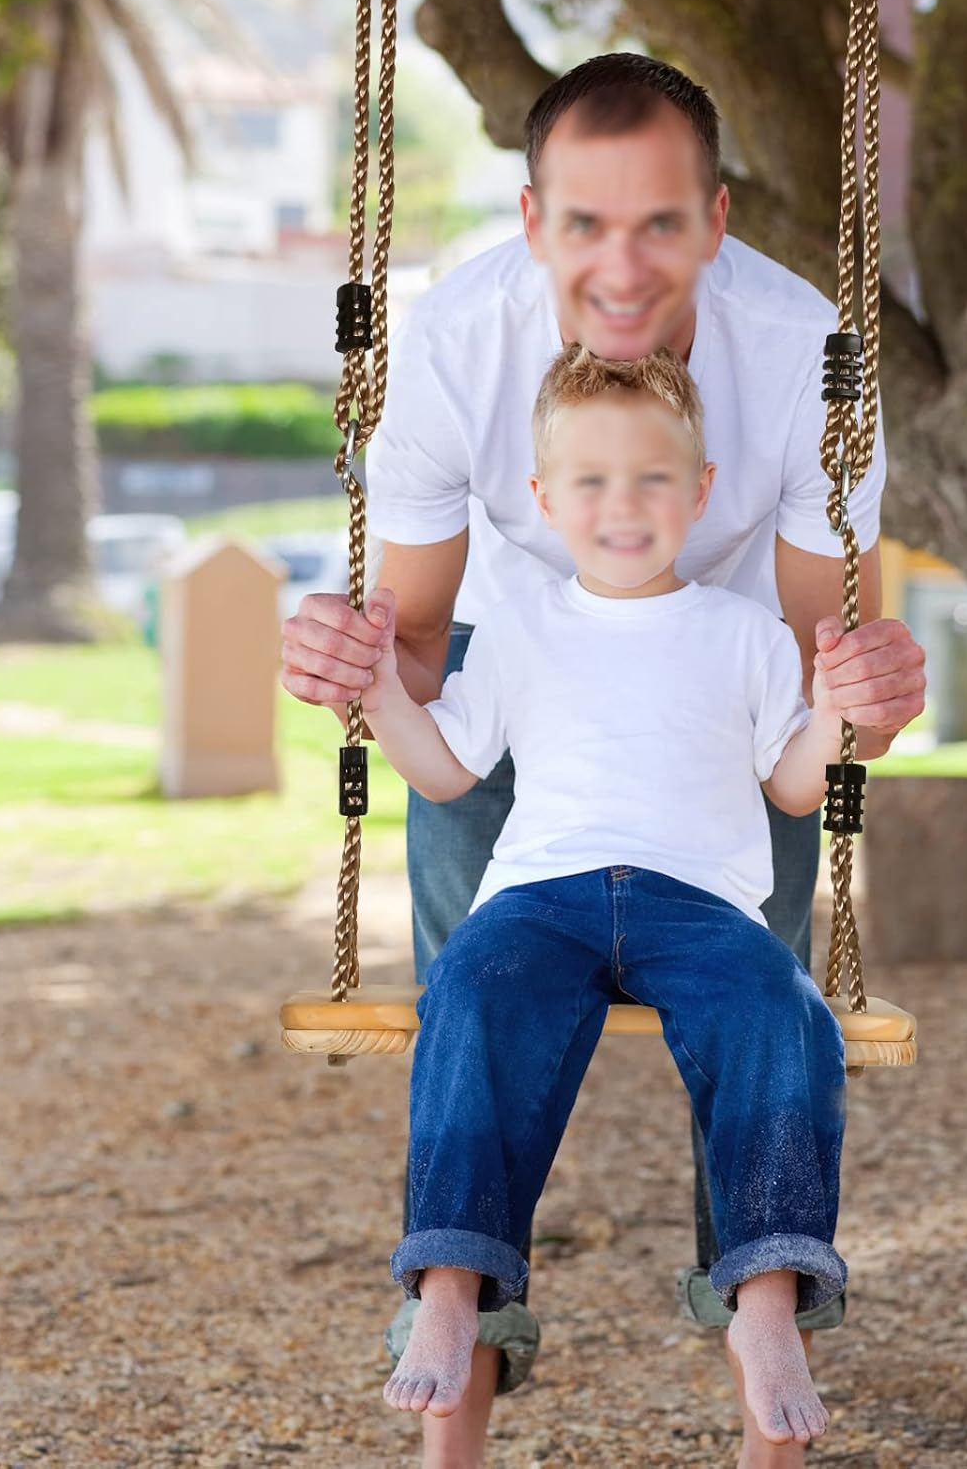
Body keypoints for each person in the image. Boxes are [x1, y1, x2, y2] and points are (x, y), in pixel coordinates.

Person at [280, 53, 926, 1469]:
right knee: (476, 1010)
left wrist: (868, 696)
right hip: (520, 719)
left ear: (718, 218)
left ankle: (764, 1345)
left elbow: (824, 683)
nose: (622, 266)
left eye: (660, 225)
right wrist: (351, 672)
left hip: (726, 732)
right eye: (585, 223)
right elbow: (422, 644)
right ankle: (451, 1370)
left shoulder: (808, 361)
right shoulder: (457, 346)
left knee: (774, 1019)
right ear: (530, 220)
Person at [366, 344, 858, 1449]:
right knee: (471, 994)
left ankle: (769, 1297)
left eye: (649, 480)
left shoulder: (742, 636)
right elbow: (448, 767)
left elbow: (788, 782)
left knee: (785, 1016)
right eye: (589, 482)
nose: (621, 505)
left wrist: (835, 715)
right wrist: (371, 695)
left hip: (701, 906)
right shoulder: (524, 626)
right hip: (543, 896)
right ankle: (450, 1282)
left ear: (700, 492)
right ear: (544, 502)